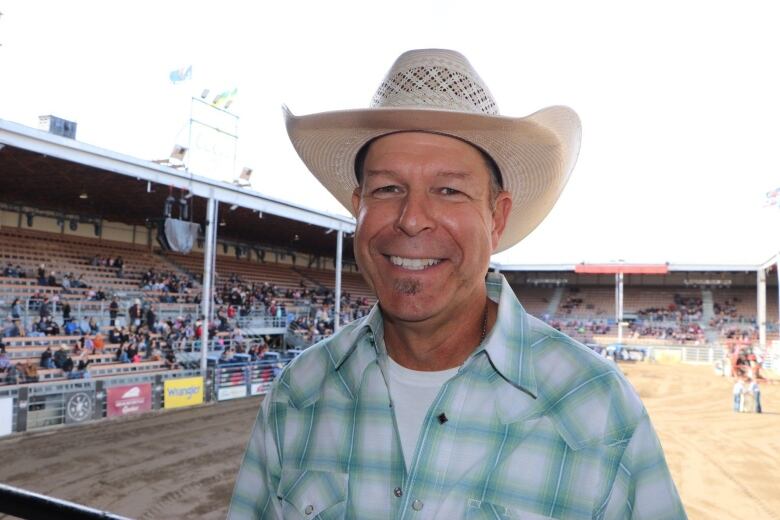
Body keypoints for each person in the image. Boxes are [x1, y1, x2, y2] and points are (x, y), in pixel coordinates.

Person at [229, 50, 686, 519]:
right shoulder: (298, 396)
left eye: (449, 190)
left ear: (497, 217)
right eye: (387, 188)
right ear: (357, 206)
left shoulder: (598, 410)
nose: (411, 219)